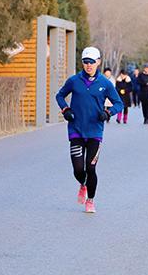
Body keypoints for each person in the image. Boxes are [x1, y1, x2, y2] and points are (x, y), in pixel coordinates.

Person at [55, 47, 123, 213]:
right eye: (86, 62)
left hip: (95, 132)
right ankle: (83, 184)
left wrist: (107, 113)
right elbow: (59, 95)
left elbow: (119, 103)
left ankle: (90, 200)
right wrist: (66, 109)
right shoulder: (74, 80)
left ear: (98, 62)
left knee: (90, 168)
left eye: (92, 62)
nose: (89, 65)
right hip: (76, 130)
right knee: (78, 169)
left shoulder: (105, 84)